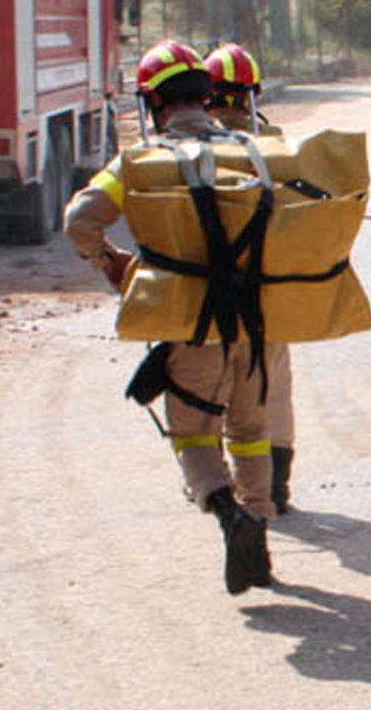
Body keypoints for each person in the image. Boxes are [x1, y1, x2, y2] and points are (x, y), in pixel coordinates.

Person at [64, 40, 275, 594]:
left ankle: (232, 518)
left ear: (153, 104)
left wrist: (111, 262)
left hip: (190, 329)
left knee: (195, 436)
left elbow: (79, 220)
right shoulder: (251, 151)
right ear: (205, 96)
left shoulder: (139, 162)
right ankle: (261, 538)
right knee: (252, 432)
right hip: (257, 327)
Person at [205, 42, 300, 514]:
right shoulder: (275, 145)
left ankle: (217, 484)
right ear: (253, 94)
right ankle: (276, 485)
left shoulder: (191, 148)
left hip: (206, 290)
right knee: (273, 385)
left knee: (213, 387)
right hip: (268, 289)